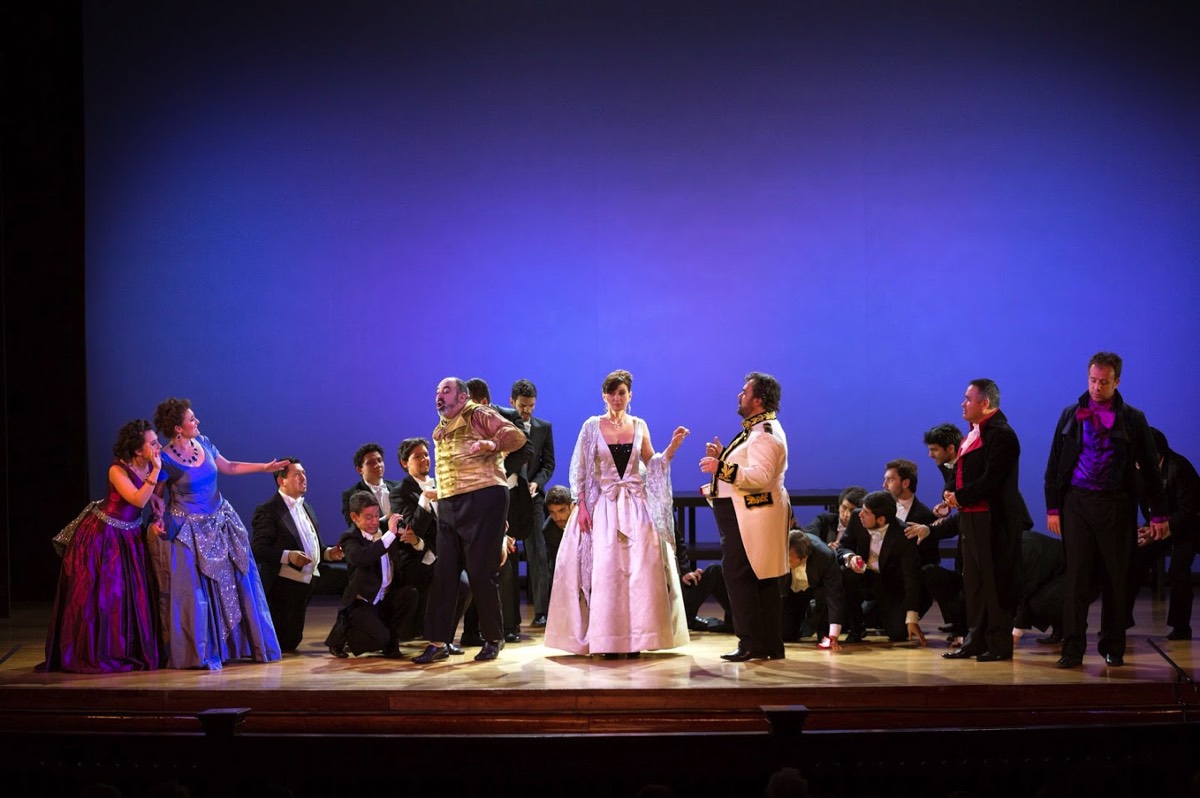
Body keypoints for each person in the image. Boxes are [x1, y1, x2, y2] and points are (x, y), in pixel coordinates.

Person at [545, 369, 690, 657]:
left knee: (639, 572)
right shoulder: (591, 426)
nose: (616, 398)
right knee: (608, 573)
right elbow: (581, 470)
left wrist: (671, 449)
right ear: (604, 396)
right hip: (605, 507)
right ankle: (609, 639)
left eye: (621, 393)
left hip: (636, 507)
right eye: (611, 393)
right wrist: (582, 504)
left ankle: (637, 639)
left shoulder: (639, 425)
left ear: (630, 395)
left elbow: (652, 464)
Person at [1045, 352, 1169, 668]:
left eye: (1103, 382)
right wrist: (1053, 508)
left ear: (1116, 382)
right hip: (1076, 504)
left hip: (1116, 504)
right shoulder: (1071, 414)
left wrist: (1158, 513)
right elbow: (1055, 463)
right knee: (1076, 580)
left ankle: (1113, 646)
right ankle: (1071, 649)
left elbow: (1152, 472)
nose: (1097, 387)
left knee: (1117, 578)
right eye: (1092, 380)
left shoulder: (1133, 418)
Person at [150, 397, 285, 669]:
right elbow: (157, 497)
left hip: (220, 521)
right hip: (189, 530)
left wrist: (264, 468)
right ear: (178, 428)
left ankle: (242, 645)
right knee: (197, 593)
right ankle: (200, 652)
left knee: (238, 584)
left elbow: (229, 466)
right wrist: (156, 520)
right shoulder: (165, 459)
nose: (197, 421)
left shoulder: (205, 443)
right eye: (191, 419)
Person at [413, 378, 526, 664]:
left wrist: (492, 443)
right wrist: (441, 491)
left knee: (479, 572)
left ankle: (492, 637)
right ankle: (438, 642)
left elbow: (517, 437)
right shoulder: (440, 428)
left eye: (446, 391)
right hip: (451, 502)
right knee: (444, 574)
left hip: (484, 496)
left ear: (462, 397)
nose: (439, 395)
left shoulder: (478, 413)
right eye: (436, 391)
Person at [38, 419, 162, 673]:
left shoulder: (148, 464)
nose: (158, 446)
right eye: (152, 443)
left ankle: (130, 649)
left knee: (131, 596)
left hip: (130, 538)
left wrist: (157, 504)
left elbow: (148, 498)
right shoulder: (117, 470)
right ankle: (100, 652)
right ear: (138, 450)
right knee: (108, 596)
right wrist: (156, 472)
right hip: (105, 538)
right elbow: (137, 499)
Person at [699, 372, 790, 662]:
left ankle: (751, 642)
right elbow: (749, 468)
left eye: (744, 391)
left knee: (741, 577)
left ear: (758, 400)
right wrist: (723, 461)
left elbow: (761, 477)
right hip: (748, 514)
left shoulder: (765, 434)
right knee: (759, 579)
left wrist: (720, 468)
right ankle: (767, 645)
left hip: (752, 518)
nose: (739, 395)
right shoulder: (758, 430)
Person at [941, 379, 1023, 663]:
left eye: (968, 399)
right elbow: (960, 470)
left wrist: (959, 496)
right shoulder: (972, 434)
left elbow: (992, 480)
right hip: (971, 518)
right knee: (973, 582)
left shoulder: (1002, 435)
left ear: (985, 403)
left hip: (993, 520)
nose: (963, 404)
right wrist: (949, 495)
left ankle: (999, 644)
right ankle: (975, 641)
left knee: (994, 582)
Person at [251, 458, 344, 653]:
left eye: (304, 473)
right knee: (287, 642)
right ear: (281, 481)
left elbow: (315, 545)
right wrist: (289, 556)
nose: (303, 477)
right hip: (285, 586)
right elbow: (258, 550)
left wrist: (328, 553)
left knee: (350, 578)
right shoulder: (268, 510)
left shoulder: (306, 507)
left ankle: (343, 636)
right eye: (297, 474)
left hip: (310, 580)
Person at [388, 437, 470, 647]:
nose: (425, 459)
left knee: (467, 584)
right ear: (404, 463)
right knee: (459, 584)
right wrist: (424, 499)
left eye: (426, 454)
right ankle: (439, 639)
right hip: (416, 560)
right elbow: (411, 529)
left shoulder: (442, 483)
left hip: (442, 554)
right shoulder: (400, 491)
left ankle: (444, 639)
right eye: (418, 456)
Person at [325, 491, 419, 658]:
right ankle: (342, 634)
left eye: (376, 515)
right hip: (362, 601)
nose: (374, 521)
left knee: (409, 594)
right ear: (354, 517)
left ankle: (391, 642)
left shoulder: (385, 530)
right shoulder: (349, 538)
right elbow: (364, 557)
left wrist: (414, 540)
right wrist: (390, 534)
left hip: (385, 597)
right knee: (379, 639)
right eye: (368, 517)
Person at [1129, 428, 1199, 641]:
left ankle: (1181, 627)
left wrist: (1159, 528)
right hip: (1159, 525)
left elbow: (1188, 511)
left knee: (1178, 570)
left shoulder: (1180, 468)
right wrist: (1145, 529)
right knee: (1133, 558)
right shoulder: (1138, 469)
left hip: (1189, 526)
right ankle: (1119, 622)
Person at [836, 491, 926, 644]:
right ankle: (856, 628)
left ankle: (878, 613)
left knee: (898, 634)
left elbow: (911, 578)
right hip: (862, 576)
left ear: (881, 519)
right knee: (845, 573)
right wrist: (850, 557)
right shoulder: (857, 519)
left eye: (866, 512)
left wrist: (912, 618)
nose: (860, 515)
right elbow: (843, 546)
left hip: (889, 586)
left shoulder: (903, 535)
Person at [508, 379, 556, 628]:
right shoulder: (502, 426)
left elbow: (549, 464)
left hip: (534, 499)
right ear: (512, 402)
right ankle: (509, 615)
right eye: (523, 405)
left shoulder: (543, 427)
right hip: (508, 498)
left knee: (538, 553)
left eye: (531, 406)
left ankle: (541, 612)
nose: (527, 410)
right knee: (507, 556)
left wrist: (537, 483)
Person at [782, 528, 844, 650]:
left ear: (804, 556)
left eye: (789, 558)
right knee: (785, 634)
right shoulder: (779, 552)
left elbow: (834, 595)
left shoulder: (825, 556)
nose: (785, 561)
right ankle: (804, 623)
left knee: (823, 635)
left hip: (818, 589)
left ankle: (815, 618)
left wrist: (834, 634)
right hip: (790, 589)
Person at [340, 443, 401, 527]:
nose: (378, 465)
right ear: (359, 469)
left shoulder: (398, 486)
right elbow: (355, 527)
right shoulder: (351, 495)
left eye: (379, 460)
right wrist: (387, 518)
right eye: (370, 463)